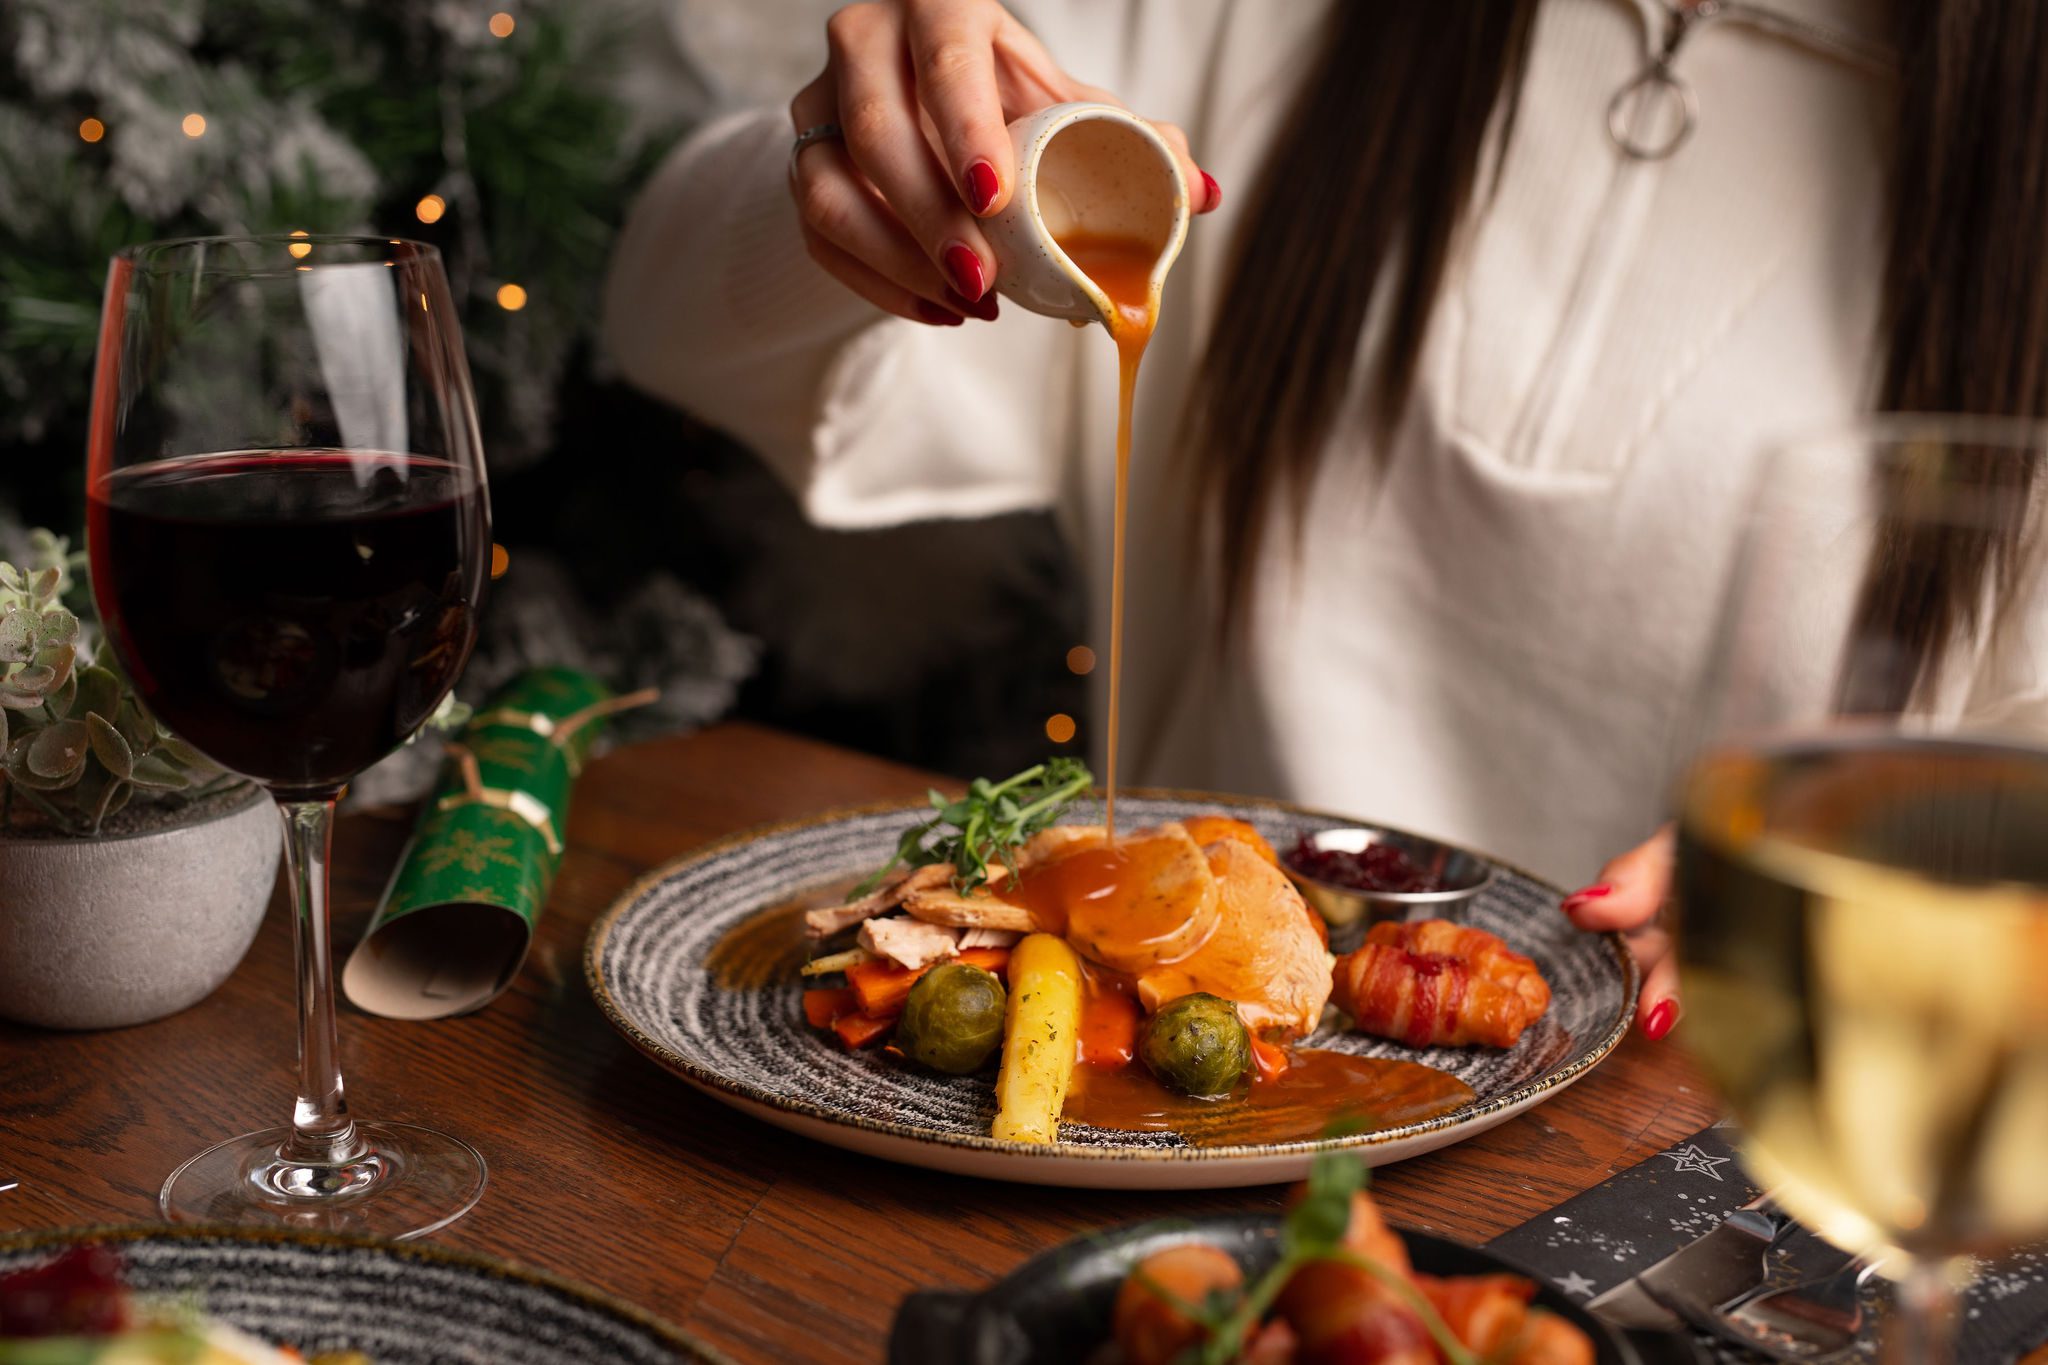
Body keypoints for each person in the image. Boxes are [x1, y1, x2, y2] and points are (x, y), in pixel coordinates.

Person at [603, 0, 2048, 1038]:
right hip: (1161, 1124)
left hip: (1758, 1144)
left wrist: (1914, 859)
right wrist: (858, 169)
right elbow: (663, 325)